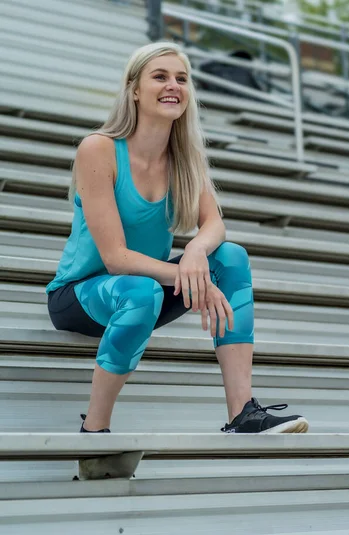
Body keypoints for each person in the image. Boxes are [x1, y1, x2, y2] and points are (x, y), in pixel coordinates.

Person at [46, 41, 309, 435]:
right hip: (80, 295)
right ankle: (94, 431)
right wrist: (191, 276)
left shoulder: (184, 158)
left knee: (230, 256)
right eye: (160, 76)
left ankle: (243, 413)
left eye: (182, 79)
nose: (173, 85)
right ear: (134, 88)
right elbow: (116, 258)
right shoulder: (98, 149)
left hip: (147, 289)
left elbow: (214, 223)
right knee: (140, 291)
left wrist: (196, 252)